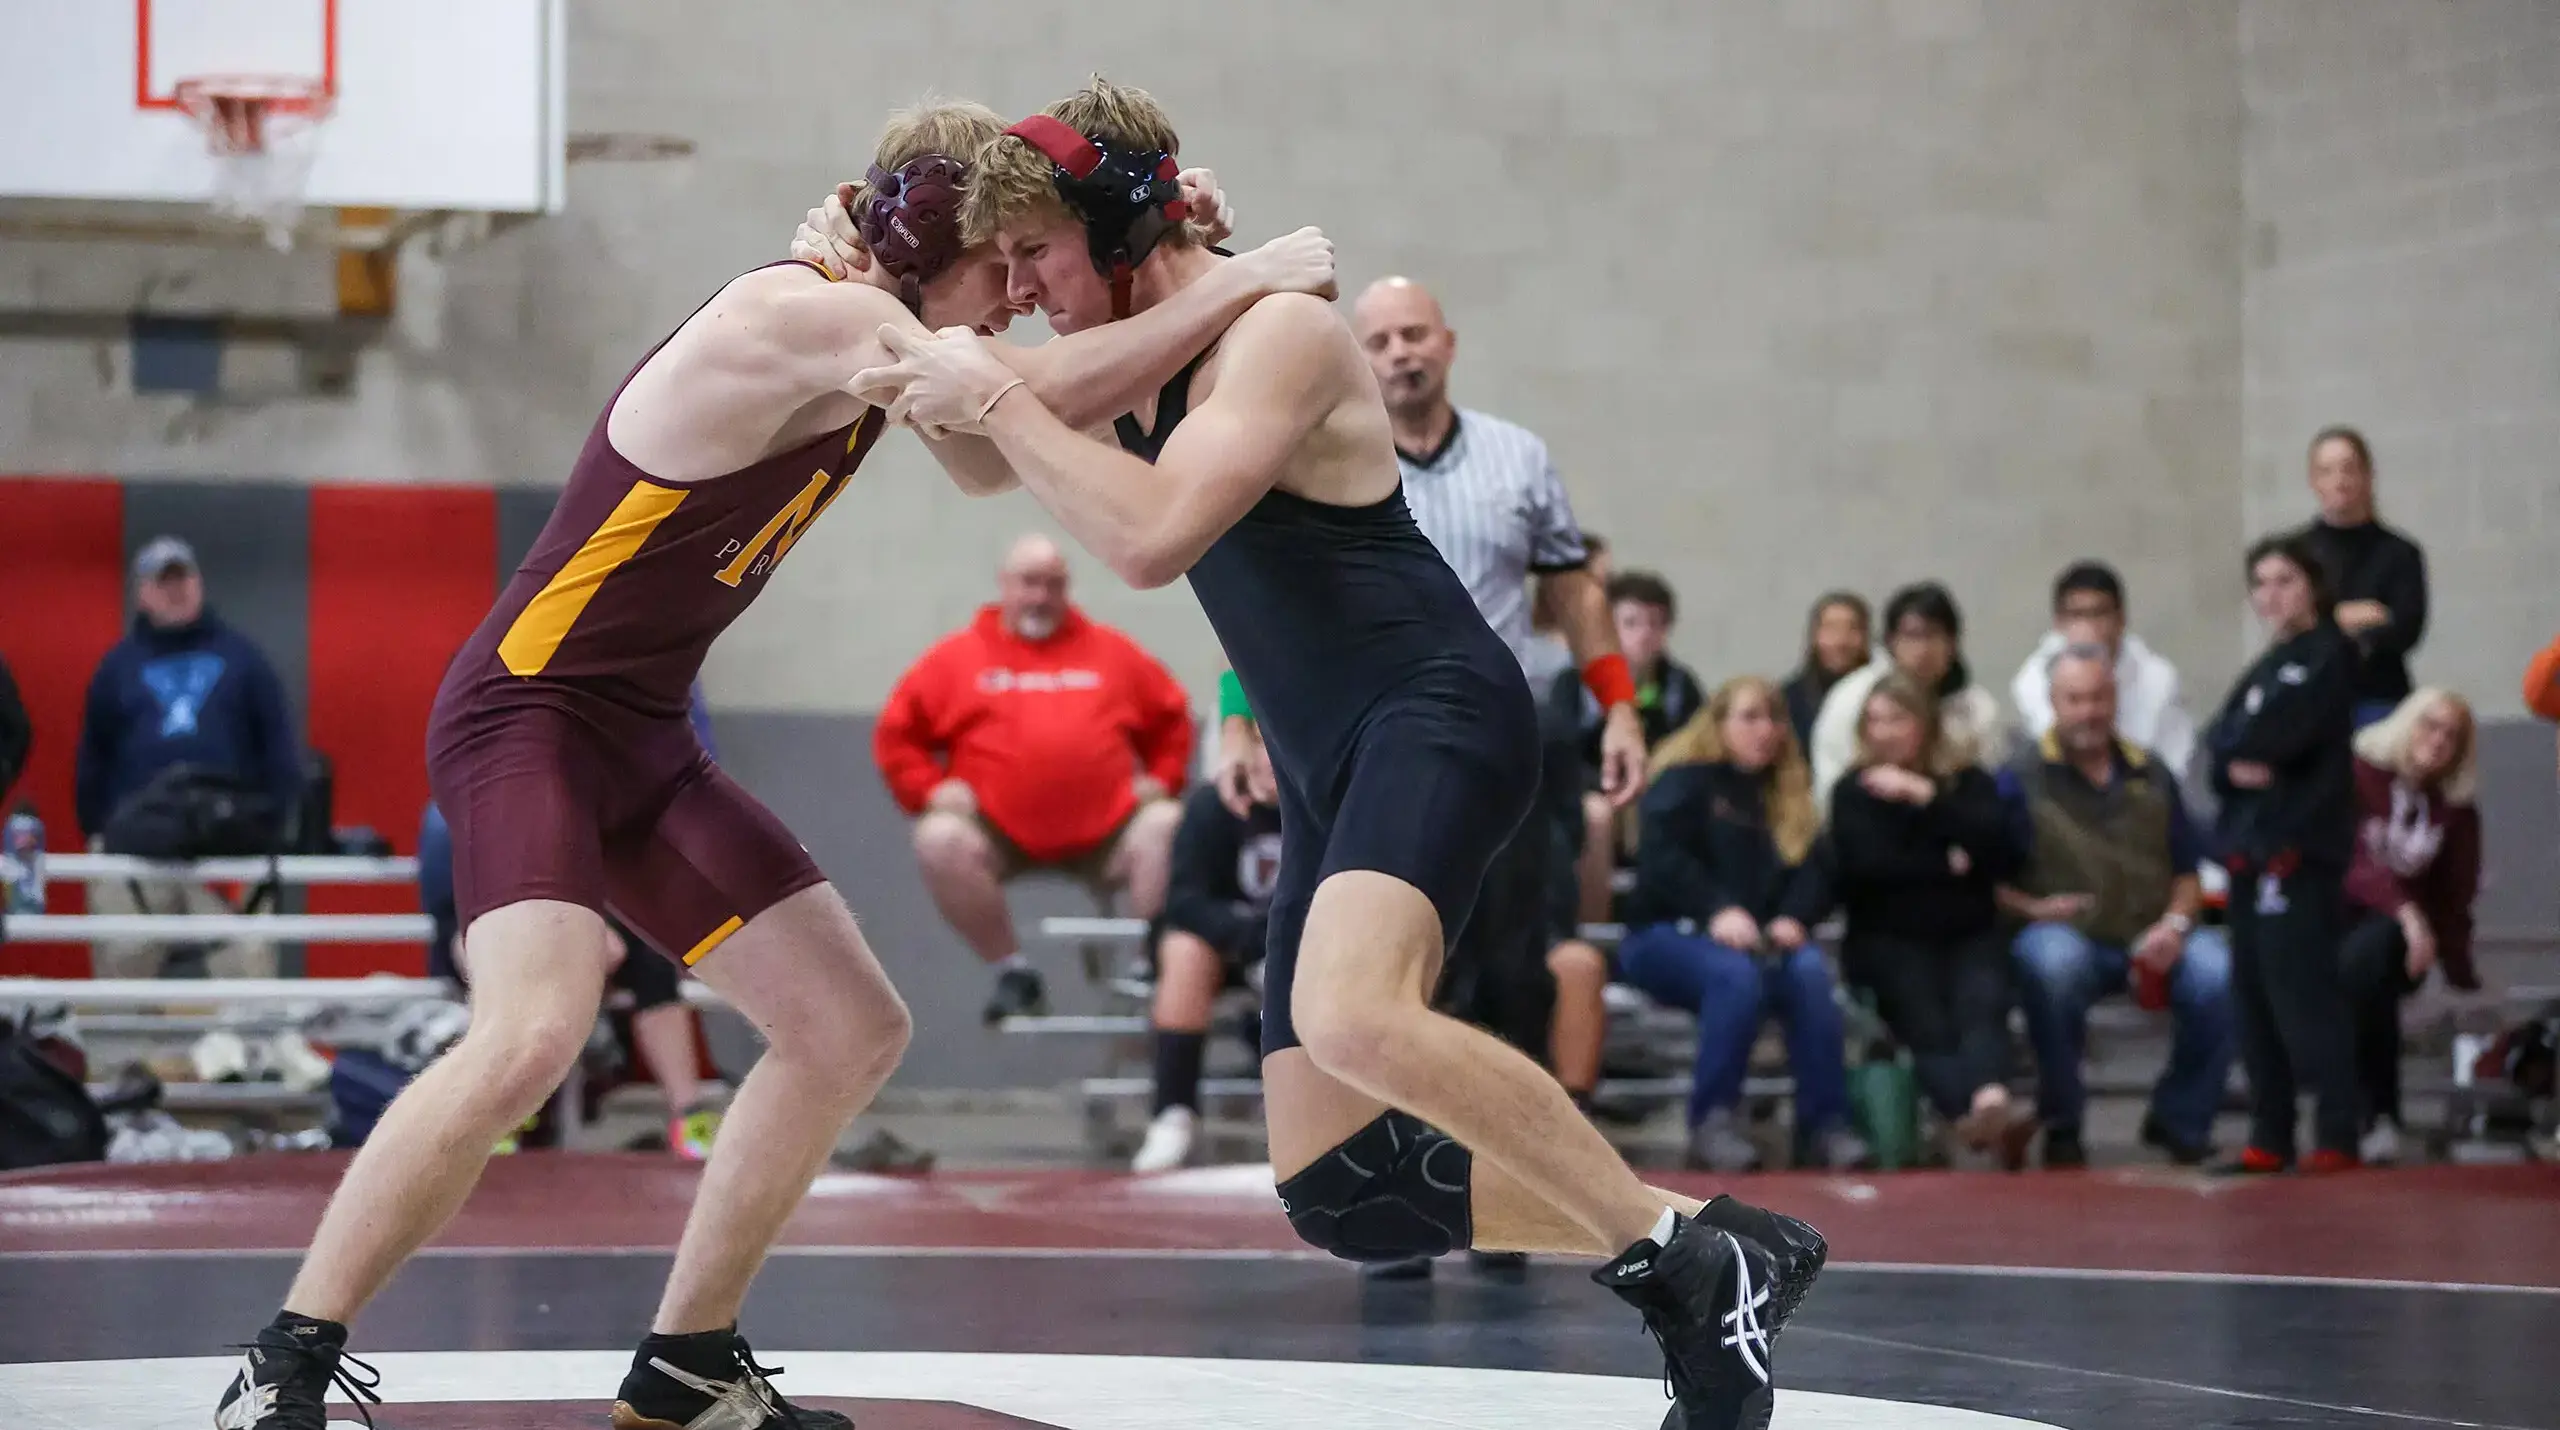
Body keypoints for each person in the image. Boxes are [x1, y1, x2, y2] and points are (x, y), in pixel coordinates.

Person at [212, 97, 1330, 1430]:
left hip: (641, 731)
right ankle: (284, 1354)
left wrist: (1194, 267)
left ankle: (687, 1360)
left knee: (848, 1025)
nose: (1024, 294)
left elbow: (989, 462)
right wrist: (1249, 283)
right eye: (1004, 264)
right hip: (528, 716)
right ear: (924, 242)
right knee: (531, 1029)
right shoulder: (811, 314)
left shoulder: (889, 332)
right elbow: (1032, 398)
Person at [850, 76, 1819, 1430]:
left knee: (1364, 1014)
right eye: (1004, 266)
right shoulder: (1131, 340)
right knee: (1350, 1194)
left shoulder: (1283, 336)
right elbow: (976, 456)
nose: (1019, 288)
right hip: (1325, 760)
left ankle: (1686, 1265)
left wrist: (995, 388)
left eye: (1035, 257)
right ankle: (1713, 1240)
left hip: (1434, 711)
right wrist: (900, 308)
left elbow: (1144, 538)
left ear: (1124, 236)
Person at [1351, 275, 1648, 1125]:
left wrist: (1619, 707)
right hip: (1382, 751)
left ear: (1447, 343)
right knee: (1398, 963)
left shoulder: (1517, 456)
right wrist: (1236, 723)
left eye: (1415, 334)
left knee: (1516, 965)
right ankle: (1403, 1196)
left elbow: (1578, 596)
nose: (1401, 353)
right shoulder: (1335, 457)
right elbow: (1267, 601)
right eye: (1379, 341)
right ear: (1359, 360)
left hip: (1501, 748)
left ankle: (1509, 1185)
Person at [873, 533, 1194, 1023]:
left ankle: (1146, 965)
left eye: (1053, 584)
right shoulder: (956, 658)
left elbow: (1172, 719)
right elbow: (897, 736)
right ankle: (1013, 971)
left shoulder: (1113, 653)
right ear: (1004, 585)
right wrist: (929, 789)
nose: (1041, 596)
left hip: (1108, 833)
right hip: (998, 834)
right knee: (937, 838)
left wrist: (1164, 777)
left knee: (1167, 822)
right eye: (1029, 582)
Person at [1617, 677, 1870, 1173]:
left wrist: (1794, 918)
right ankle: (1712, 1120)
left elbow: (1817, 870)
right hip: (1666, 934)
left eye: (1774, 719)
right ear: (1719, 723)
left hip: (1759, 942)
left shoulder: (1788, 795)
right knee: (1735, 977)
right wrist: (1715, 909)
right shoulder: (1682, 782)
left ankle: (1825, 1124)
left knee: (1810, 972)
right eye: (1750, 718)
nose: (1766, 730)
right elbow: (1662, 861)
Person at [1999, 646, 2233, 1169]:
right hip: (2062, 934)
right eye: (2075, 698)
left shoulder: (2151, 772)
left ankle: (2181, 1119)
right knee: (2051, 965)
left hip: (2152, 933)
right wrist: (2033, 909)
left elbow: (2188, 871)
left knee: (2220, 970)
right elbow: (1982, 883)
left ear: (2116, 699)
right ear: (2054, 703)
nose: (2088, 711)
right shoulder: (2017, 776)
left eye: (2099, 697)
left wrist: (2175, 924)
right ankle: (2063, 1122)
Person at [419, 799, 723, 1159]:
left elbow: (609, 929)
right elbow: (464, 926)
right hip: (487, 924)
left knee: (650, 960)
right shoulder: (459, 815)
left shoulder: (575, 806)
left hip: (566, 920)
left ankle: (689, 1114)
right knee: (507, 958)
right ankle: (499, 1106)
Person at [1826, 672, 2034, 1167]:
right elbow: (1866, 870)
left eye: (1897, 719)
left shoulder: (1966, 783)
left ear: (1925, 724)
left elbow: (2000, 853)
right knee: (1923, 1012)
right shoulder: (1853, 792)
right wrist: (1944, 863)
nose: (1885, 731)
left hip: (1969, 930)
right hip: (1888, 937)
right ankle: (1971, 1110)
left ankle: (1986, 1101)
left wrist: (1927, 799)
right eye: (1874, 721)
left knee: (1982, 999)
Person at [78, 536, 301, 979]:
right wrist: (104, 834)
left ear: (199, 583)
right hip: (137, 851)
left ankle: (250, 1050)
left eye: (183, 577)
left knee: (247, 967)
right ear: (142, 593)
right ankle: (124, 1051)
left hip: (228, 841)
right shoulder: (115, 669)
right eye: (163, 581)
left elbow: (278, 747)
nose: (175, 589)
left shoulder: (244, 660)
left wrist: (267, 825)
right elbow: (92, 763)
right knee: (123, 966)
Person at [2207, 534, 2360, 1175]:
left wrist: (2257, 752)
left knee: (2304, 996)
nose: (2272, 595)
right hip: (2248, 849)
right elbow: (2219, 744)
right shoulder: (2267, 665)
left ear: (2315, 587)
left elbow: (2279, 736)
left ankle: (2336, 1132)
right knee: (2253, 997)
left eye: (2286, 581)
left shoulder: (2329, 656)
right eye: (2262, 583)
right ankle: (2269, 1132)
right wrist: (2242, 756)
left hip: (2296, 851)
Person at [1131, 725, 1284, 1173]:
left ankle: (1333, 1120)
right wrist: (1247, 939)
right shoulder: (1212, 806)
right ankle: (1173, 1111)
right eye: (1261, 744)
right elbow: (1185, 901)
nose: (1272, 758)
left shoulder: (1329, 807)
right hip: (1229, 942)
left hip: (1301, 944)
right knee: (1183, 951)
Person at [2341, 689, 2482, 1164]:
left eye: (2452, 736)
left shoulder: (2456, 813)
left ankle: (2370, 1115)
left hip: (2404, 950)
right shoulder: (2357, 776)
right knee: (2370, 959)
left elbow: (2455, 899)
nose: (2439, 741)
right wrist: (2406, 913)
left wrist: (2463, 976)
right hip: (2339, 927)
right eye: (2430, 725)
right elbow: (2352, 862)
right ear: (2406, 722)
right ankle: (2378, 1113)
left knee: (2378, 954)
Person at [1552, 570, 1706, 927]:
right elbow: (1561, 755)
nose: (1644, 635)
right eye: (1631, 622)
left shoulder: (1680, 687)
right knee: (1598, 816)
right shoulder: (1573, 683)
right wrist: (1610, 784)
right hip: (1595, 792)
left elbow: (1695, 753)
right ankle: (1594, 929)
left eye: (1655, 624)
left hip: (1657, 792)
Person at [1809, 581, 2003, 811]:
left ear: (1952, 643)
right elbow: (1830, 784)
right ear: (1891, 641)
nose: (1922, 649)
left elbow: (1988, 792)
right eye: (1911, 635)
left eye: (1932, 635)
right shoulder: (1851, 699)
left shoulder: (1977, 710)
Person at [2009, 561, 2197, 783]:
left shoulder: (2159, 680)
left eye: (2099, 614)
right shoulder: (2032, 680)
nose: (2088, 625)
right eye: (2077, 614)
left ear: (2121, 620)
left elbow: (2175, 764)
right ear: (2058, 623)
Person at [2291, 427, 2428, 725]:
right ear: (2313, 481)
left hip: (2382, 701)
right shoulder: (2297, 554)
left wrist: (2326, 620)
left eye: (2348, 469)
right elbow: (2292, 629)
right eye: (2326, 471)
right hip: (2311, 701)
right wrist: (2365, 615)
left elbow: (2406, 630)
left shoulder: (2400, 553)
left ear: (2367, 477)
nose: (2339, 481)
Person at [1781, 592, 1870, 756]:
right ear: (1814, 636)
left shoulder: (1882, 695)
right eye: (1831, 628)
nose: (1841, 640)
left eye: (1852, 629)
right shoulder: (1788, 698)